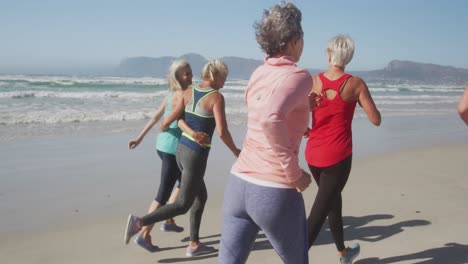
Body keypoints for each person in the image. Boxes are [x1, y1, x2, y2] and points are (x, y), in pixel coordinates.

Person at [218, 2, 312, 264]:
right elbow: (271, 120)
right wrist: (294, 173)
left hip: (238, 185)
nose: (304, 42)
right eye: (302, 37)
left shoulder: (259, 73)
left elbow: (261, 114)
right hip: (274, 189)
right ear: (293, 40)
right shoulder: (300, 76)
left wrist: (300, 121)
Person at [124, 59, 241, 257]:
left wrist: (191, 132)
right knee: (182, 204)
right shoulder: (216, 98)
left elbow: (173, 121)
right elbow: (222, 131)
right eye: (224, 78)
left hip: (181, 150)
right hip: (195, 155)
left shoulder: (189, 91)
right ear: (216, 76)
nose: (225, 82)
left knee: (200, 196)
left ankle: (194, 244)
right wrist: (236, 152)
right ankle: (139, 223)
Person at [304, 35, 381, 264]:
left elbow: (295, 111)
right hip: (338, 157)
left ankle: (344, 253)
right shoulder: (355, 84)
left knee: (332, 203)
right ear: (348, 57)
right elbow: (375, 119)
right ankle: (294, 257)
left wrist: (303, 129)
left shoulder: (312, 81)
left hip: (312, 154)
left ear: (328, 55)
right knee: (318, 213)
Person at [127, 59, 193, 252]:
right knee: (162, 194)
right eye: (186, 73)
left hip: (162, 146)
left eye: (190, 72)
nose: (190, 76)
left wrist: (139, 138)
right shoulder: (182, 95)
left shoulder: (170, 94)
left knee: (182, 184)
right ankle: (143, 234)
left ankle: (169, 220)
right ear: (178, 77)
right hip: (173, 149)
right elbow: (164, 120)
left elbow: (156, 116)